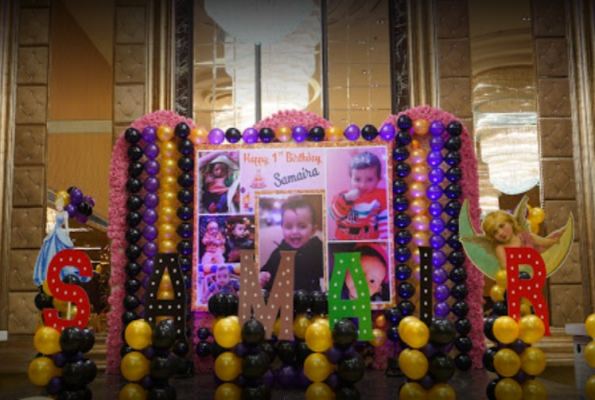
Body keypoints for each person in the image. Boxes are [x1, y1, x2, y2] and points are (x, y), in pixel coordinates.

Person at [259, 198, 323, 292]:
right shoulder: (279, 252)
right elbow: (267, 269)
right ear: (282, 228)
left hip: (309, 297)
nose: (294, 231)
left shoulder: (316, 249)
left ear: (313, 230)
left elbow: (327, 269)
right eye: (288, 227)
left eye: (302, 226)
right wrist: (264, 275)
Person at [329, 151, 388, 240]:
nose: (362, 185)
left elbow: (385, 221)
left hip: (369, 241)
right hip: (343, 240)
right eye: (357, 179)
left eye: (369, 179)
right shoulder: (343, 196)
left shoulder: (381, 196)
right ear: (351, 179)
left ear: (378, 180)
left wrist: (384, 239)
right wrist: (347, 198)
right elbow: (334, 215)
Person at [482, 210, 563, 269]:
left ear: (511, 223)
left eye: (502, 226)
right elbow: (504, 265)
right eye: (495, 232)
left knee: (559, 234)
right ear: (492, 237)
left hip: (540, 266)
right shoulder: (500, 248)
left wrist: (554, 241)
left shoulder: (526, 236)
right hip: (521, 278)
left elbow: (544, 242)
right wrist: (521, 266)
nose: (500, 233)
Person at [33, 193, 74, 286]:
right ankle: (48, 272)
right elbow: (55, 223)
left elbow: (66, 227)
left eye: (60, 205)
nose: (58, 207)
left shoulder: (65, 214)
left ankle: (60, 273)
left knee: (58, 250)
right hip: (54, 231)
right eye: (57, 205)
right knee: (49, 249)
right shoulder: (57, 213)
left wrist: (67, 236)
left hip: (60, 232)